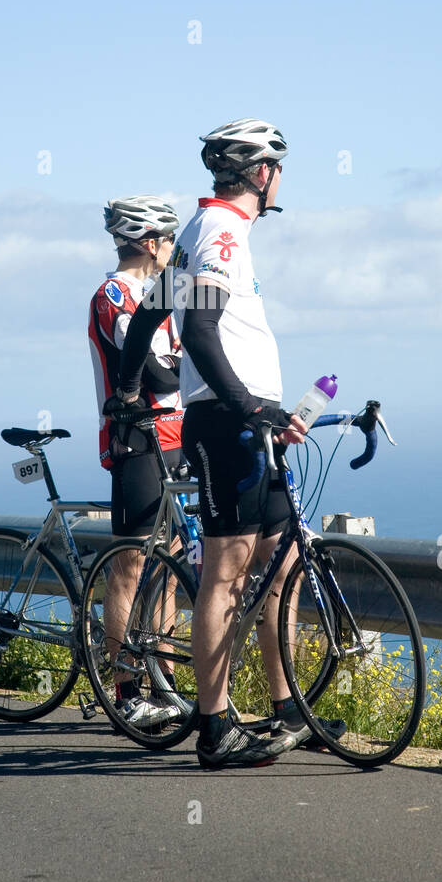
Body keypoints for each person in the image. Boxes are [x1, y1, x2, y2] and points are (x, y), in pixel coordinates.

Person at [114, 119, 328, 768]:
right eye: (279, 168)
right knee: (226, 572)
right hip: (230, 425)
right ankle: (213, 727)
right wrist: (249, 406)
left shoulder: (205, 232)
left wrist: (126, 387)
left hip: (248, 423)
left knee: (282, 566)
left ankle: (290, 709)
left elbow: (153, 315)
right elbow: (200, 332)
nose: (280, 179)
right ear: (262, 174)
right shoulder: (220, 235)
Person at [88, 195, 186, 730]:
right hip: (136, 440)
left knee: (168, 573)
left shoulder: (156, 296)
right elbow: (160, 377)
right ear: (151, 243)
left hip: (173, 438)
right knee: (130, 565)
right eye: (168, 241)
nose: (172, 250)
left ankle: (164, 686)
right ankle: (126, 691)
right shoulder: (116, 295)